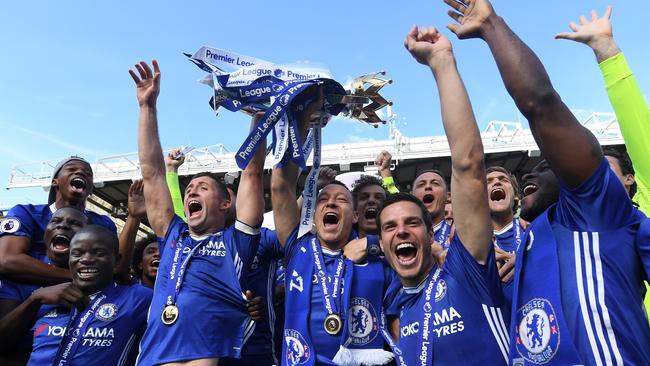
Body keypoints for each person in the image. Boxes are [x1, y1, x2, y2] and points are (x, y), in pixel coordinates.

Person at [444, 0, 650, 364]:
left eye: (543, 167)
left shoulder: (596, 208)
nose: (529, 174)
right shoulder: (534, 237)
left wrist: (492, 27)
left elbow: (540, 103)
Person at [377, 25, 507, 366]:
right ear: (382, 244)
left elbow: (467, 163)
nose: (401, 231)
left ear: (432, 232)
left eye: (411, 223)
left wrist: (441, 62)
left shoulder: (466, 272)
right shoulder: (396, 309)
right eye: (389, 227)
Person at [130, 60, 264, 366]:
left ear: (225, 203)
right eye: (189, 188)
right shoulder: (172, 233)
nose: (191, 191)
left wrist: (260, 117)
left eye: (202, 187)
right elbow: (152, 173)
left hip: (207, 355)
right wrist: (147, 107)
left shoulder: (237, 241)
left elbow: (253, 173)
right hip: (153, 356)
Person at [271, 88, 393, 365]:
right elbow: (280, 187)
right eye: (323, 200)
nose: (330, 204)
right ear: (313, 216)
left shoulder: (376, 257)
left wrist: (372, 244)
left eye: (341, 200)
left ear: (355, 217)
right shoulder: (296, 248)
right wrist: (301, 117)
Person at [556, 4, 650, 325]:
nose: (599, 181)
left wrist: (607, 50)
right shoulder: (572, 237)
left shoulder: (647, 202)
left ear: (630, 179)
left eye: (607, 172)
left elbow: (636, 123)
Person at [1, 225, 152, 366]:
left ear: (116, 262)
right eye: (77, 253)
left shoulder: (139, 299)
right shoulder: (45, 297)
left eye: (98, 253)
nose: (86, 259)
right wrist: (33, 300)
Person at [0, 157, 116, 286]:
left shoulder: (103, 223)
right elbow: (6, 260)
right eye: (71, 169)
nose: (80, 173)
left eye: (88, 174)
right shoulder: (25, 213)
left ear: (91, 188)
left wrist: (133, 218)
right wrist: (79, 277)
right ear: (55, 182)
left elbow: (116, 267)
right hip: (24, 296)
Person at [0, 207, 89, 365]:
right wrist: (35, 299)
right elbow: (3, 343)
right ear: (45, 234)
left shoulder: (96, 278)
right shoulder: (19, 276)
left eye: (74, 223)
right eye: (55, 221)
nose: (62, 226)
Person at [486, 166, 521, 311]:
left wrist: (526, 262)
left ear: (516, 196)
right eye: (488, 182)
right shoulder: (468, 247)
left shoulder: (536, 231)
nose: (497, 182)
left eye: (503, 180)